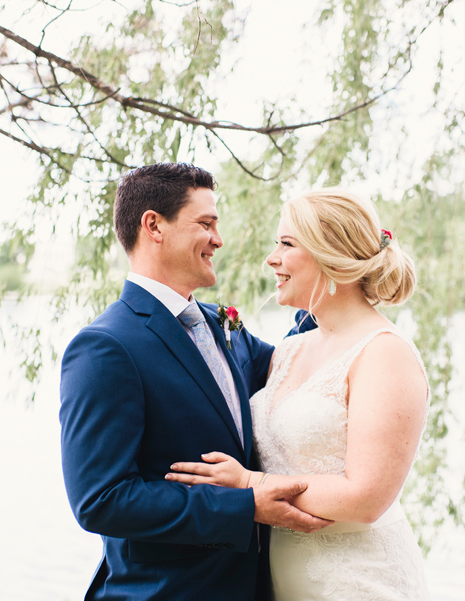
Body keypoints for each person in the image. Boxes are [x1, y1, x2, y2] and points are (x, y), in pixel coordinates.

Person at [58, 163, 330, 601]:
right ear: (154, 226)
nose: (218, 240)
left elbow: (290, 363)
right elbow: (101, 499)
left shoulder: (219, 324)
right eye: (206, 224)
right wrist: (245, 506)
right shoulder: (105, 347)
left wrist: (332, 273)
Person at [167, 188, 432, 600]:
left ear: (332, 254)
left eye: (287, 244)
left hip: (360, 582)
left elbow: (366, 498)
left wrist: (250, 484)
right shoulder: (290, 350)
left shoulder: (384, 352)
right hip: (282, 582)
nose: (271, 258)